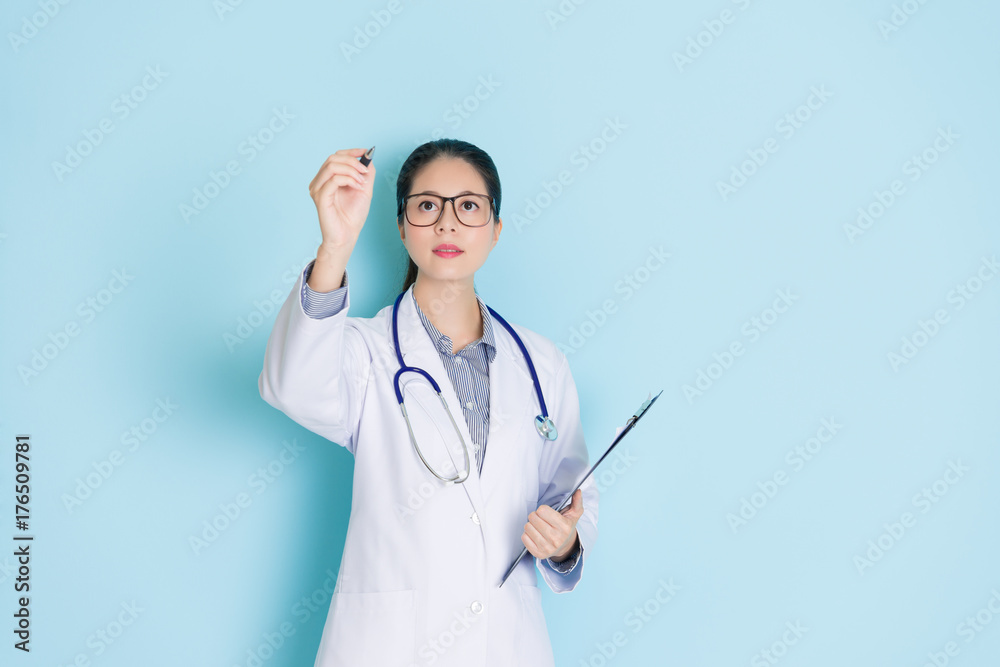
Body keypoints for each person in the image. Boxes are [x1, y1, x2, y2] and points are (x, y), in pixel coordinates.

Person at [258, 139, 599, 667]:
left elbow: (573, 496)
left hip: (506, 644)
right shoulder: (366, 352)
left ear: (496, 228)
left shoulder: (541, 363)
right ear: (401, 226)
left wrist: (563, 543)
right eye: (426, 206)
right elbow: (292, 385)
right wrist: (335, 248)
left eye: (468, 206)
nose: (447, 224)